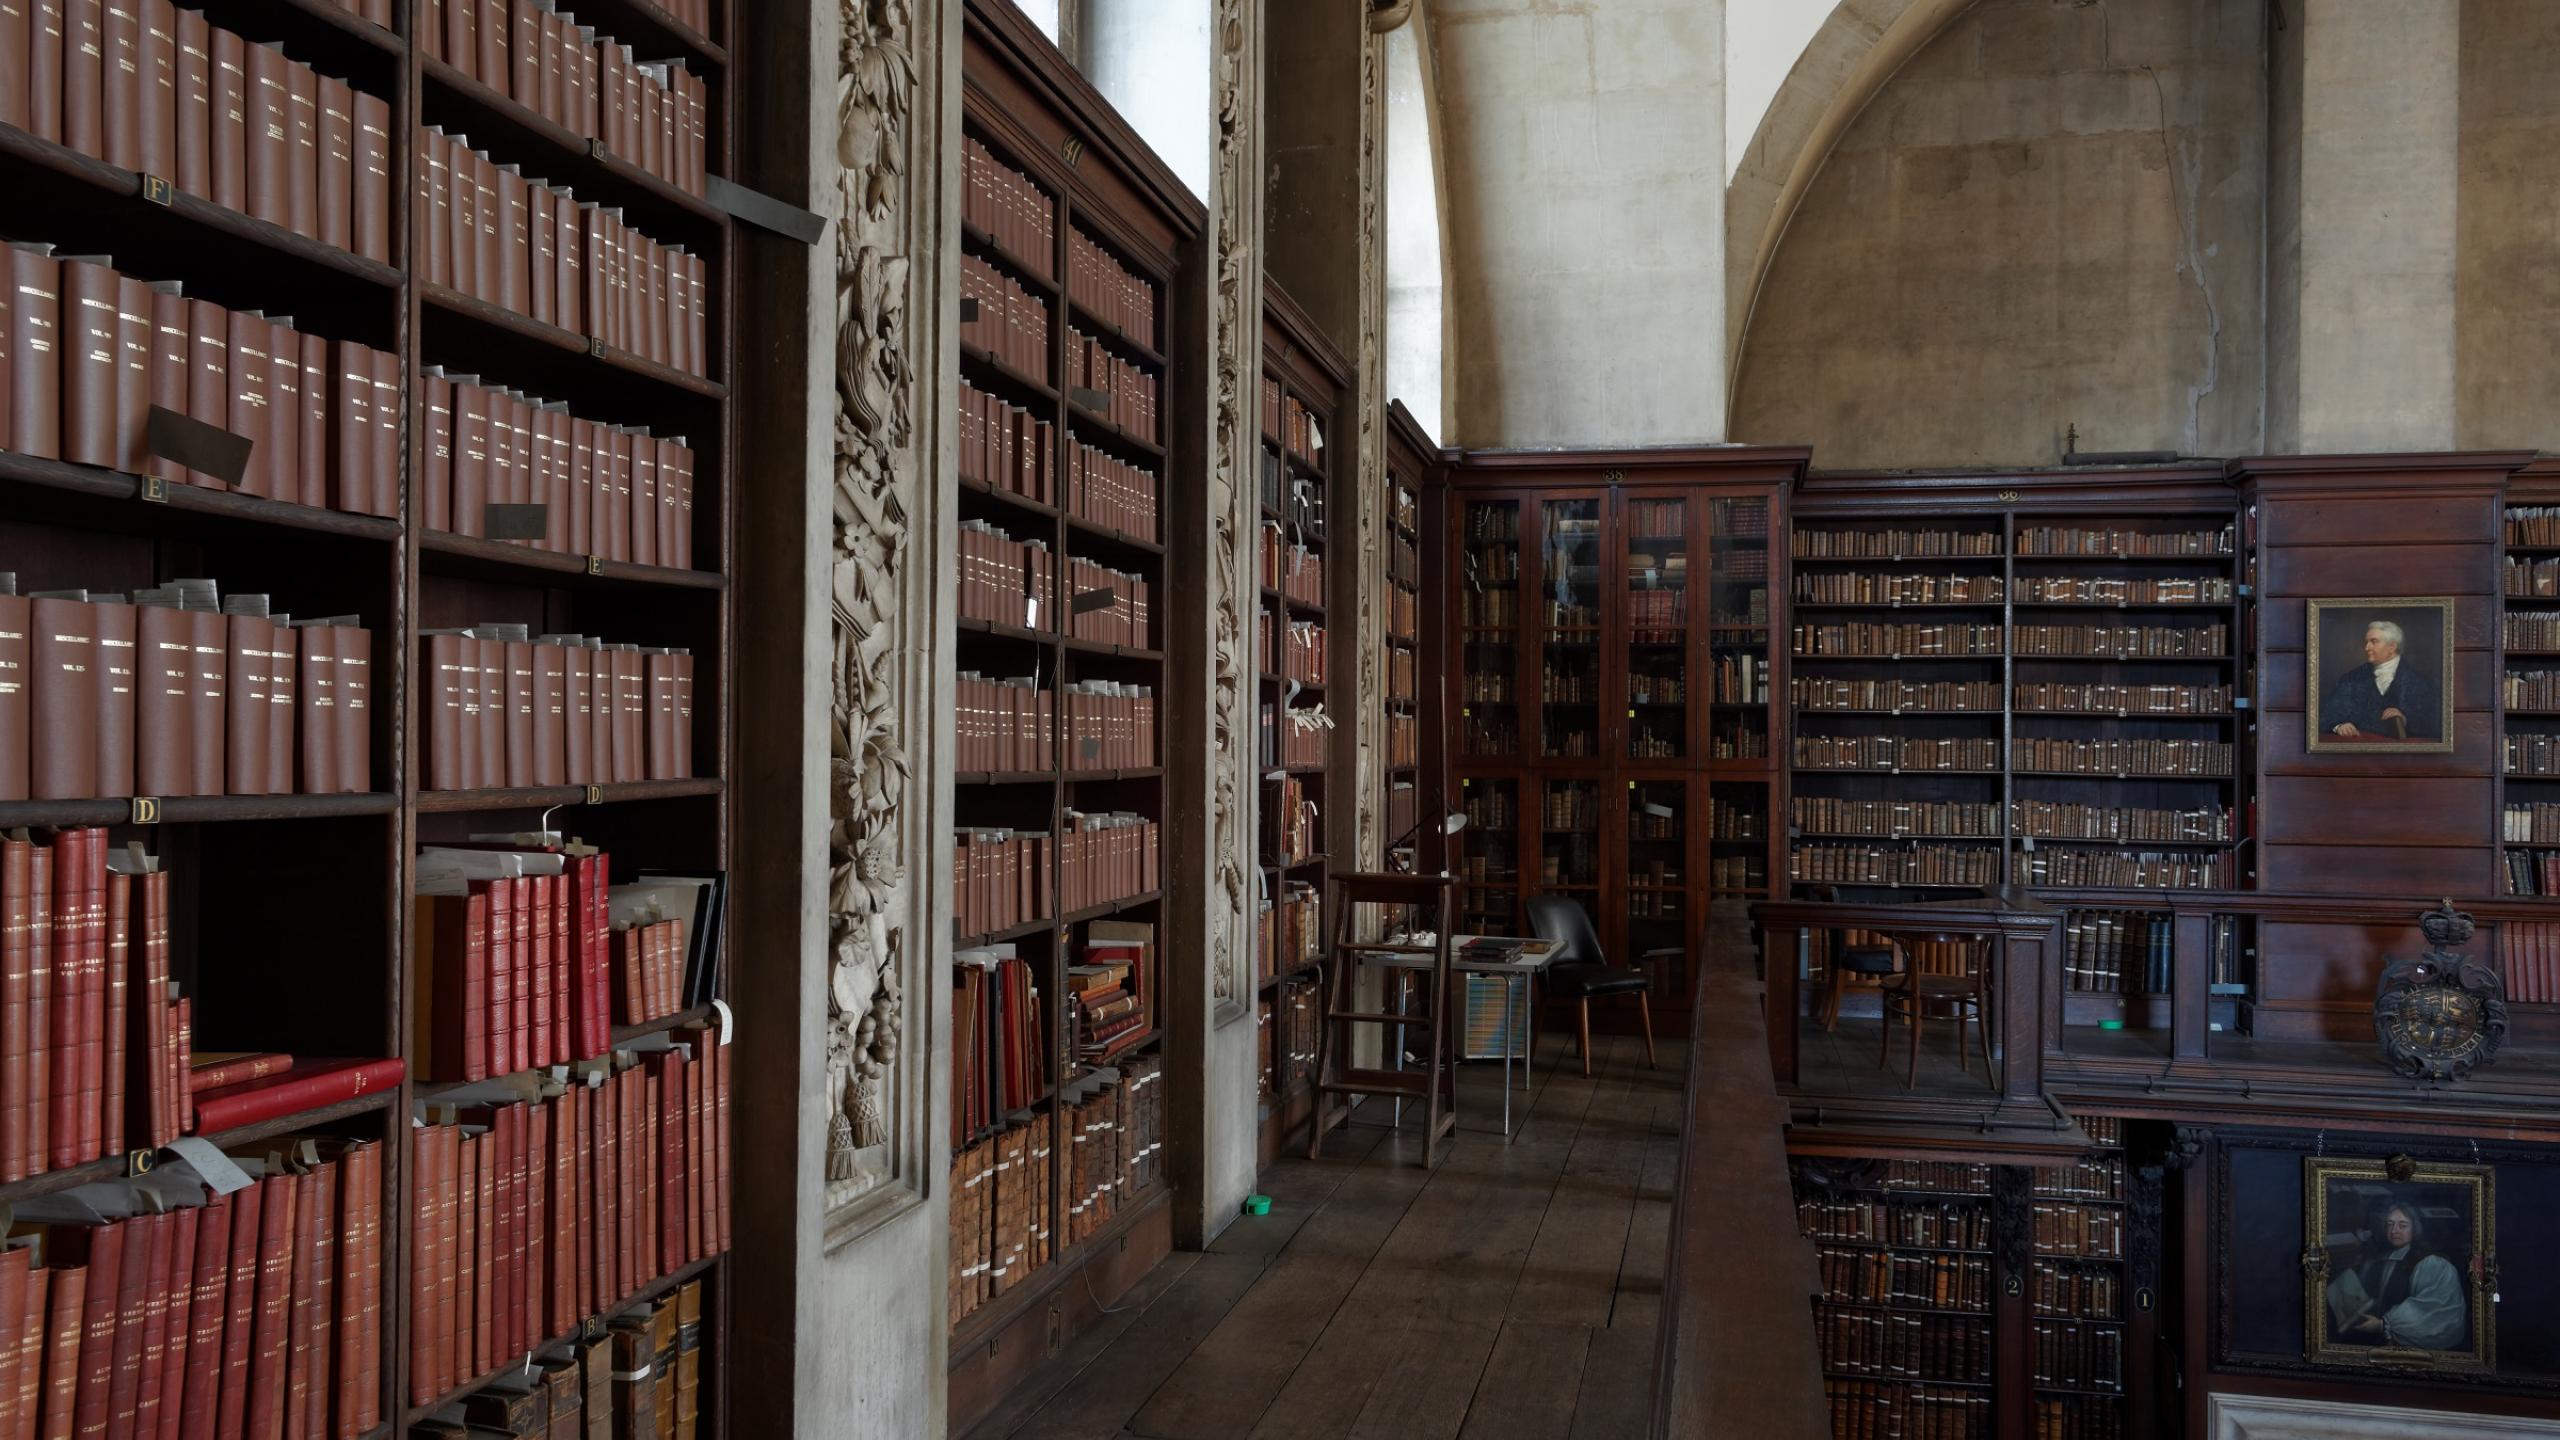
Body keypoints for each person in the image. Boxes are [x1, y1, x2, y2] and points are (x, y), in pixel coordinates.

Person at [2323, 1200, 2468, 1350]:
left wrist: (2382, 1325)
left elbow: (2433, 1311)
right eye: (2390, 1224)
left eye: (2403, 1225)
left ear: (2415, 1229)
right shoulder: (2378, 1260)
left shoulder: (2431, 1264)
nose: (2394, 1231)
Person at [2325, 619, 2439, 740]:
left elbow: (2436, 725)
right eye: (2367, 642)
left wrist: (2405, 719)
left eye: (2373, 642)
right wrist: (2339, 726)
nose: (2366, 647)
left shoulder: (2420, 682)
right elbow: (2327, 716)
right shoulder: (2351, 678)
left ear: (2392, 647)